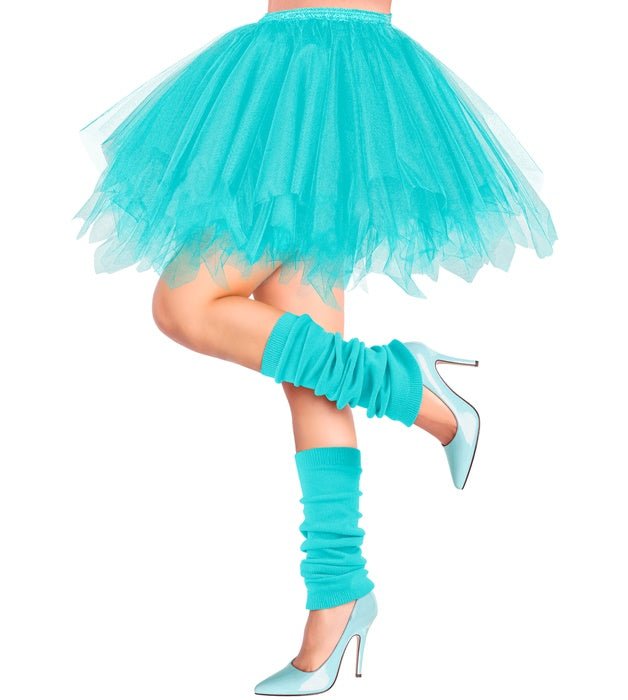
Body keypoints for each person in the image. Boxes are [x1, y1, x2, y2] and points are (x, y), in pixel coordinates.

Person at [73, 0, 557, 694]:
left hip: (332, 80)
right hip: (280, 76)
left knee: (184, 305)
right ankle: (339, 590)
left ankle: (402, 384)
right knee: (309, 374)